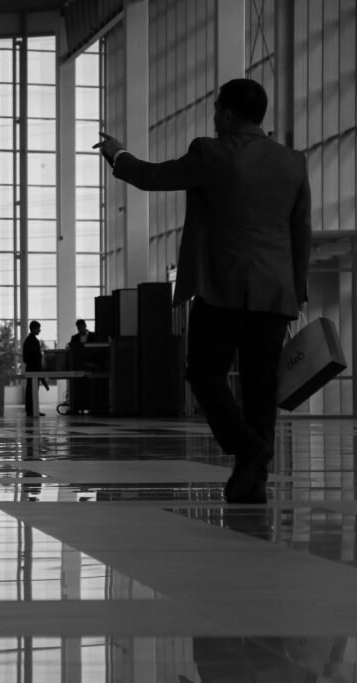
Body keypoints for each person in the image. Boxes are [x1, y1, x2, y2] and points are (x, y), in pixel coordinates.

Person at [94, 78, 311, 504]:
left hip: (222, 287)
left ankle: (247, 447)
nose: (213, 119)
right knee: (260, 386)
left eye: (216, 110)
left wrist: (115, 152)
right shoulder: (293, 162)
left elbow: (150, 177)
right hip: (274, 293)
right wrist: (297, 289)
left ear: (228, 114)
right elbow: (300, 232)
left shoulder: (211, 153)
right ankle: (255, 481)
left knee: (204, 373)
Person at [21, 320, 48, 416]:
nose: (39, 330)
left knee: (30, 390)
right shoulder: (34, 341)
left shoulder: (28, 341)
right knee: (33, 390)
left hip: (30, 368)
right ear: (34, 329)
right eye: (38, 328)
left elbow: (25, 358)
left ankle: (30, 410)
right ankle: (33, 410)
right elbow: (36, 357)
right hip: (34, 369)